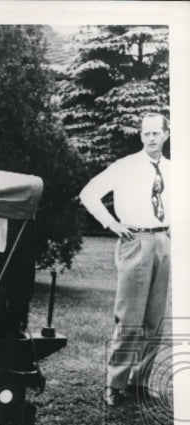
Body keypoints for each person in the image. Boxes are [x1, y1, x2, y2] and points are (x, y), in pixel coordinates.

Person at [79, 113, 171, 407]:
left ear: (166, 135)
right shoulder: (126, 166)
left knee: (154, 320)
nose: (151, 138)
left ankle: (138, 383)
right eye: (146, 133)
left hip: (163, 241)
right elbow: (89, 193)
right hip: (135, 241)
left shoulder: (173, 169)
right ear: (141, 136)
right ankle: (114, 384)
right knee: (130, 319)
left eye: (156, 133)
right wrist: (112, 224)